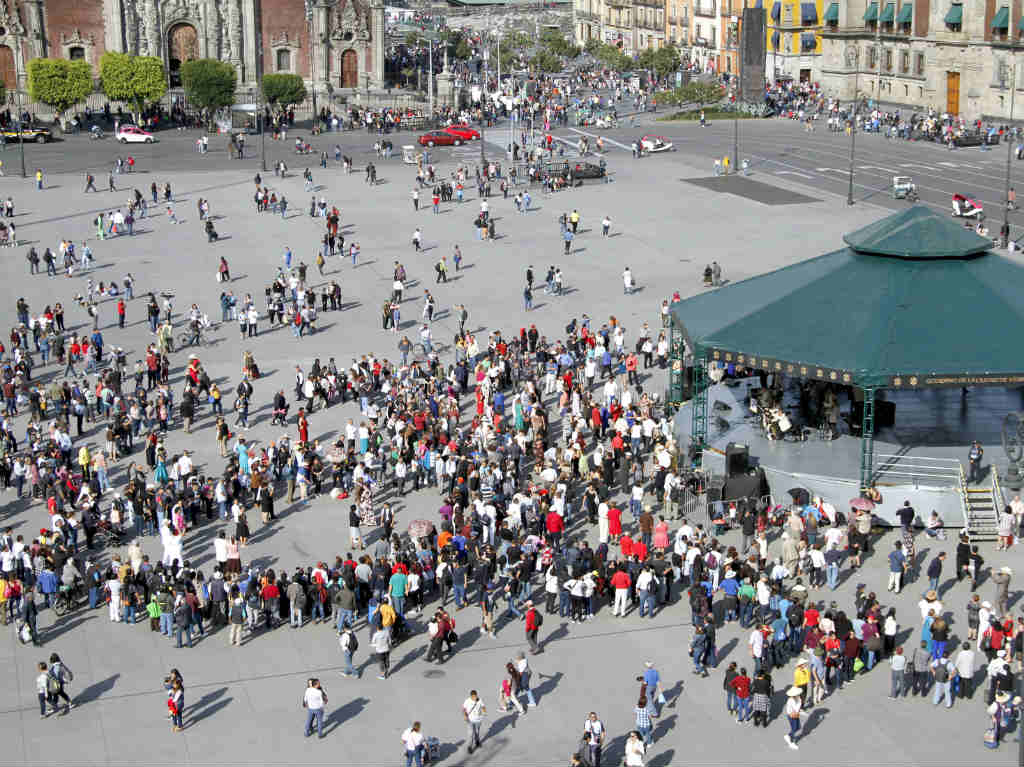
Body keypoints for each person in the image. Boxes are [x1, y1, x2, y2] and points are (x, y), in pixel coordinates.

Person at [462, 689, 486, 755]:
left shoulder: (479, 700)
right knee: (470, 733)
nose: (475, 698)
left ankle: (477, 742)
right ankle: (469, 747)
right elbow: (464, 709)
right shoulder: (467, 701)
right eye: (474, 697)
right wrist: (465, 716)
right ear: (471, 696)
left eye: (476, 696)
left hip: (478, 720)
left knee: (477, 732)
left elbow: (483, 706)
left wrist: (484, 712)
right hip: (470, 720)